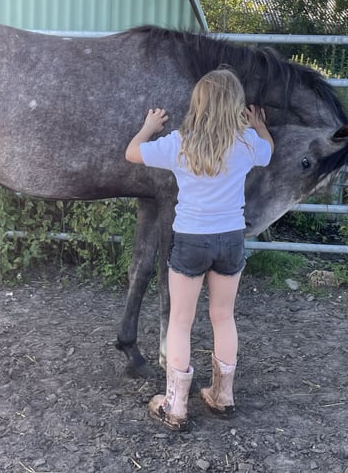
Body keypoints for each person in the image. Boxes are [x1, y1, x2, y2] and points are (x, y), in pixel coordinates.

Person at [125, 68, 273, 431]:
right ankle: (223, 396)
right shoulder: (247, 143)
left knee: (180, 320)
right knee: (223, 316)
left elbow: (132, 154)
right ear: (236, 107)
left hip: (191, 239)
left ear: (198, 104)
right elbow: (268, 152)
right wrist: (258, 124)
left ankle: (175, 406)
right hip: (231, 239)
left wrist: (149, 126)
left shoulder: (179, 142)